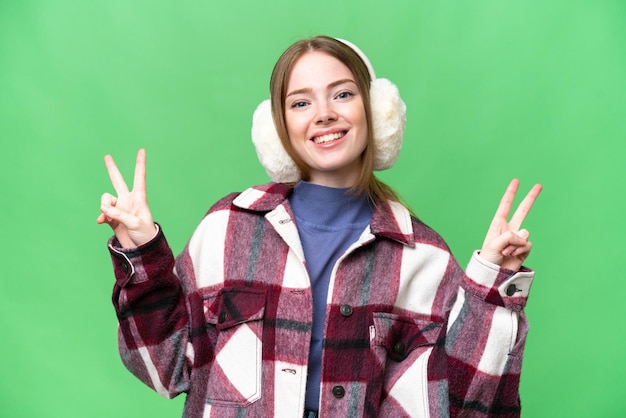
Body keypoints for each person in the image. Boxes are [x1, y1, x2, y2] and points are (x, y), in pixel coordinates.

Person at [98, 35, 542, 418]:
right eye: (301, 102)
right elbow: (165, 367)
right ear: (279, 128)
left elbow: (466, 407)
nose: (324, 113)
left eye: (343, 94)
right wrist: (143, 255)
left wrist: (491, 288)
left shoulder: (423, 257)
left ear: (378, 112)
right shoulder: (227, 228)